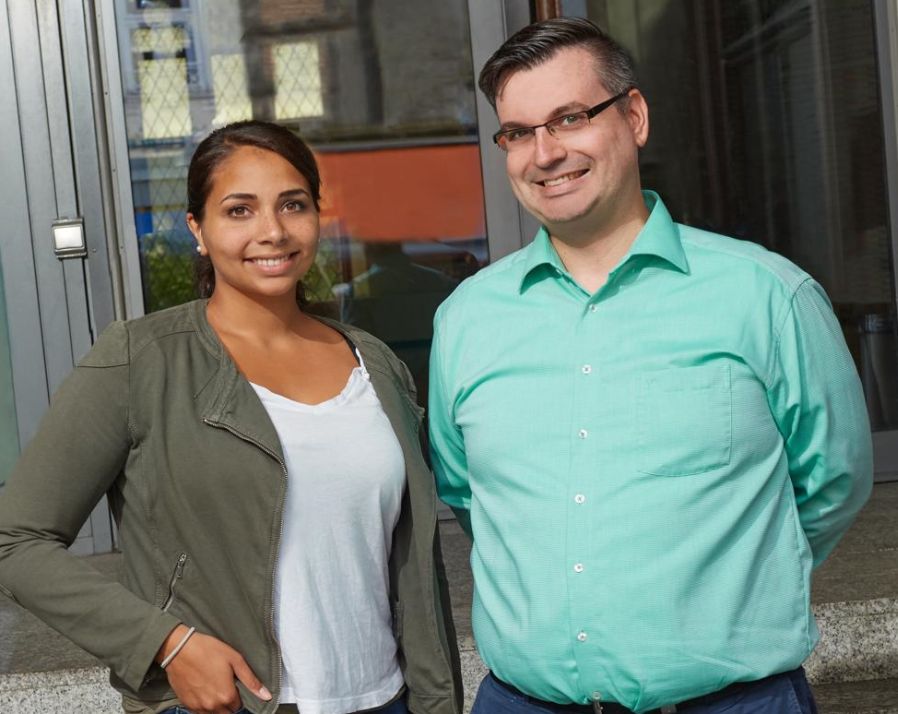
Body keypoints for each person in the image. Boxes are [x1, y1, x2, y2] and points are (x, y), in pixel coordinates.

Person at [428, 18, 872, 714]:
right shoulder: (466, 321)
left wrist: (732, 584)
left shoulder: (766, 295)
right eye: (517, 132)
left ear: (633, 116)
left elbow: (835, 480)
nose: (544, 153)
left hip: (736, 703)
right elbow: (468, 495)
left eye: (569, 118)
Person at [0, 120, 462, 714]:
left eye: (292, 205)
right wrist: (166, 644)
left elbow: (414, 565)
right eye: (239, 210)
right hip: (233, 704)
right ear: (198, 229)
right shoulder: (142, 359)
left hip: (384, 698)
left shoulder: (373, 362)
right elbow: (15, 540)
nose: (272, 232)